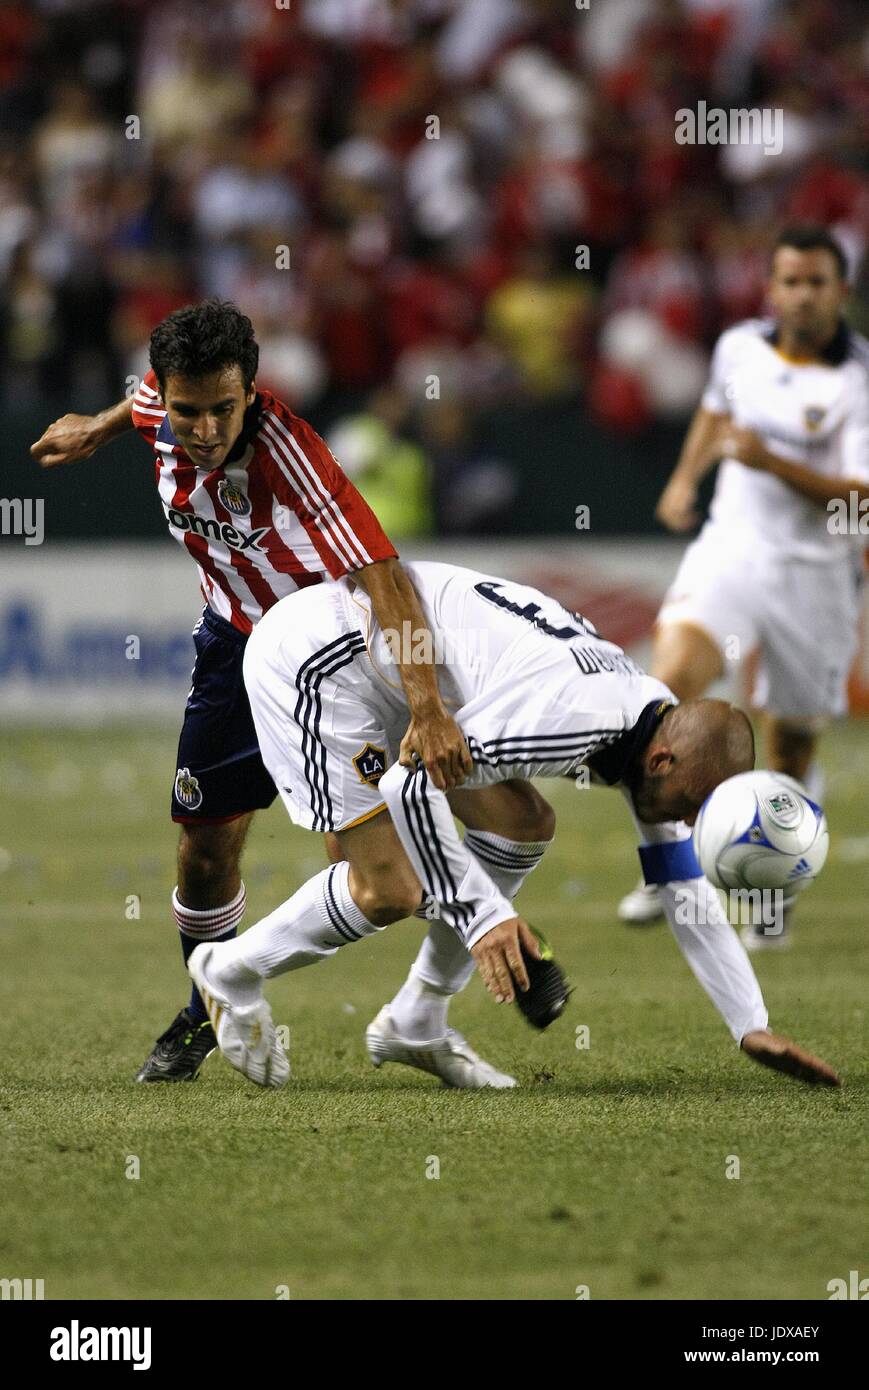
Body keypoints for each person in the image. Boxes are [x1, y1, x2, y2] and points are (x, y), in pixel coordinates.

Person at [30, 299, 472, 1081]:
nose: (203, 430)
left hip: (324, 660)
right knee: (202, 851)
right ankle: (205, 1013)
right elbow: (134, 405)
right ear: (164, 394)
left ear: (252, 392)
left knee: (370, 867)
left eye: (223, 411)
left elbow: (388, 583)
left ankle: (469, 964)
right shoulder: (154, 406)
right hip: (233, 651)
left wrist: (428, 705)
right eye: (186, 410)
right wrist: (93, 430)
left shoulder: (292, 455)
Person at [187, 561, 840, 1090]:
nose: (687, 823)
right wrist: (484, 918)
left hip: (398, 678)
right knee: (391, 888)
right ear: (663, 760)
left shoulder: (651, 733)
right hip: (319, 659)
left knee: (523, 823)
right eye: (692, 805)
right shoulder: (573, 720)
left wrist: (749, 1024)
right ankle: (230, 969)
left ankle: (417, 1018)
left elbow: (683, 885)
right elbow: (408, 782)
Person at [617, 225, 869, 949]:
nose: (801, 294)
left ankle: (768, 886)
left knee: (789, 744)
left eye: (816, 282)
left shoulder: (856, 380)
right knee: (666, 693)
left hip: (814, 574)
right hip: (727, 550)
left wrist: (769, 460)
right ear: (771, 288)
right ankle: (666, 865)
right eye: (789, 281)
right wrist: (683, 478)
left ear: (840, 292)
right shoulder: (737, 348)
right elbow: (715, 412)